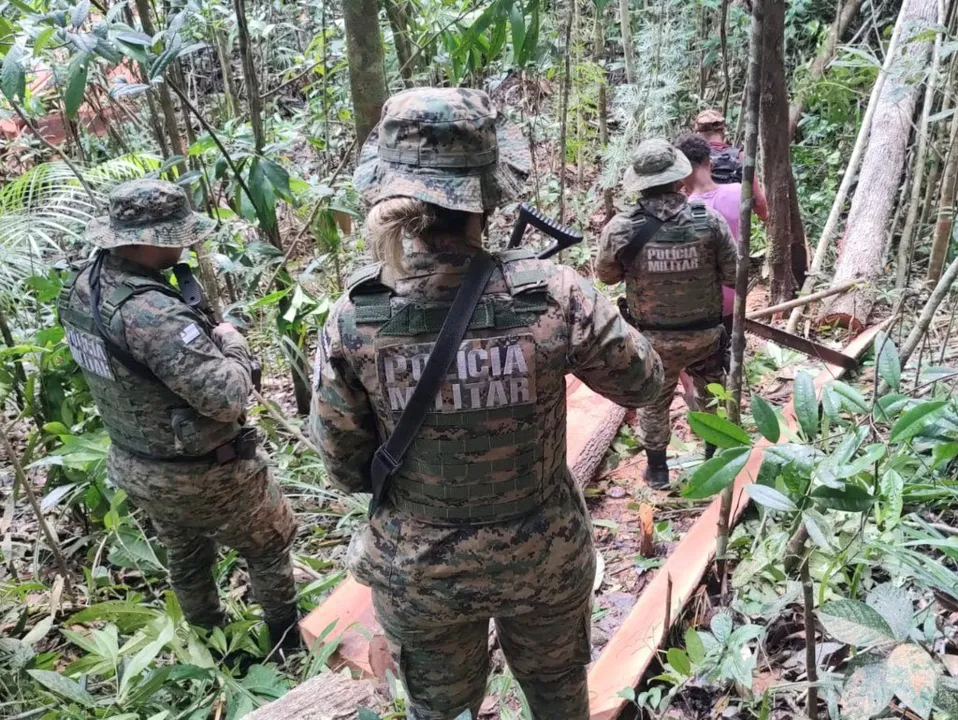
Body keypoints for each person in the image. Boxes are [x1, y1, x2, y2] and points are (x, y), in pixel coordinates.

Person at [309, 87, 663, 720]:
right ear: (488, 195)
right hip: (543, 559)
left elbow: (343, 466)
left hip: (420, 571)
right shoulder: (555, 295)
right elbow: (644, 381)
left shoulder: (354, 317)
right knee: (558, 701)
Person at [57, 179, 299, 649]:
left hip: (139, 462)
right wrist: (230, 339)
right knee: (270, 544)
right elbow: (227, 397)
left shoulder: (83, 286)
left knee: (187, 557)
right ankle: (288, 645)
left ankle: (212, 645)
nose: (187, 242)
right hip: (204, 473)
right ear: (149, 241)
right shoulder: (153, 314)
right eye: (177, 234)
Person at [597, 139, 737, 490]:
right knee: (712, 391)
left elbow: (607, 275)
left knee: (655, 399)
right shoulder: (710, 221)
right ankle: (714, 457)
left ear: (640, 182)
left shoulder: (621, 228)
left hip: (652, 338)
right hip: (705, 335)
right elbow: (735, 275)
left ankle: (657, 470)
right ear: (679, 179)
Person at [693, 109, 768, 221]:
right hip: (732, 227)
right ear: (723, 131)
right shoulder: (740, 156)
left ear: (698, 133)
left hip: (699, 223)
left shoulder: (692, 159)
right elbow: (758, 199)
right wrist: (764, 216)